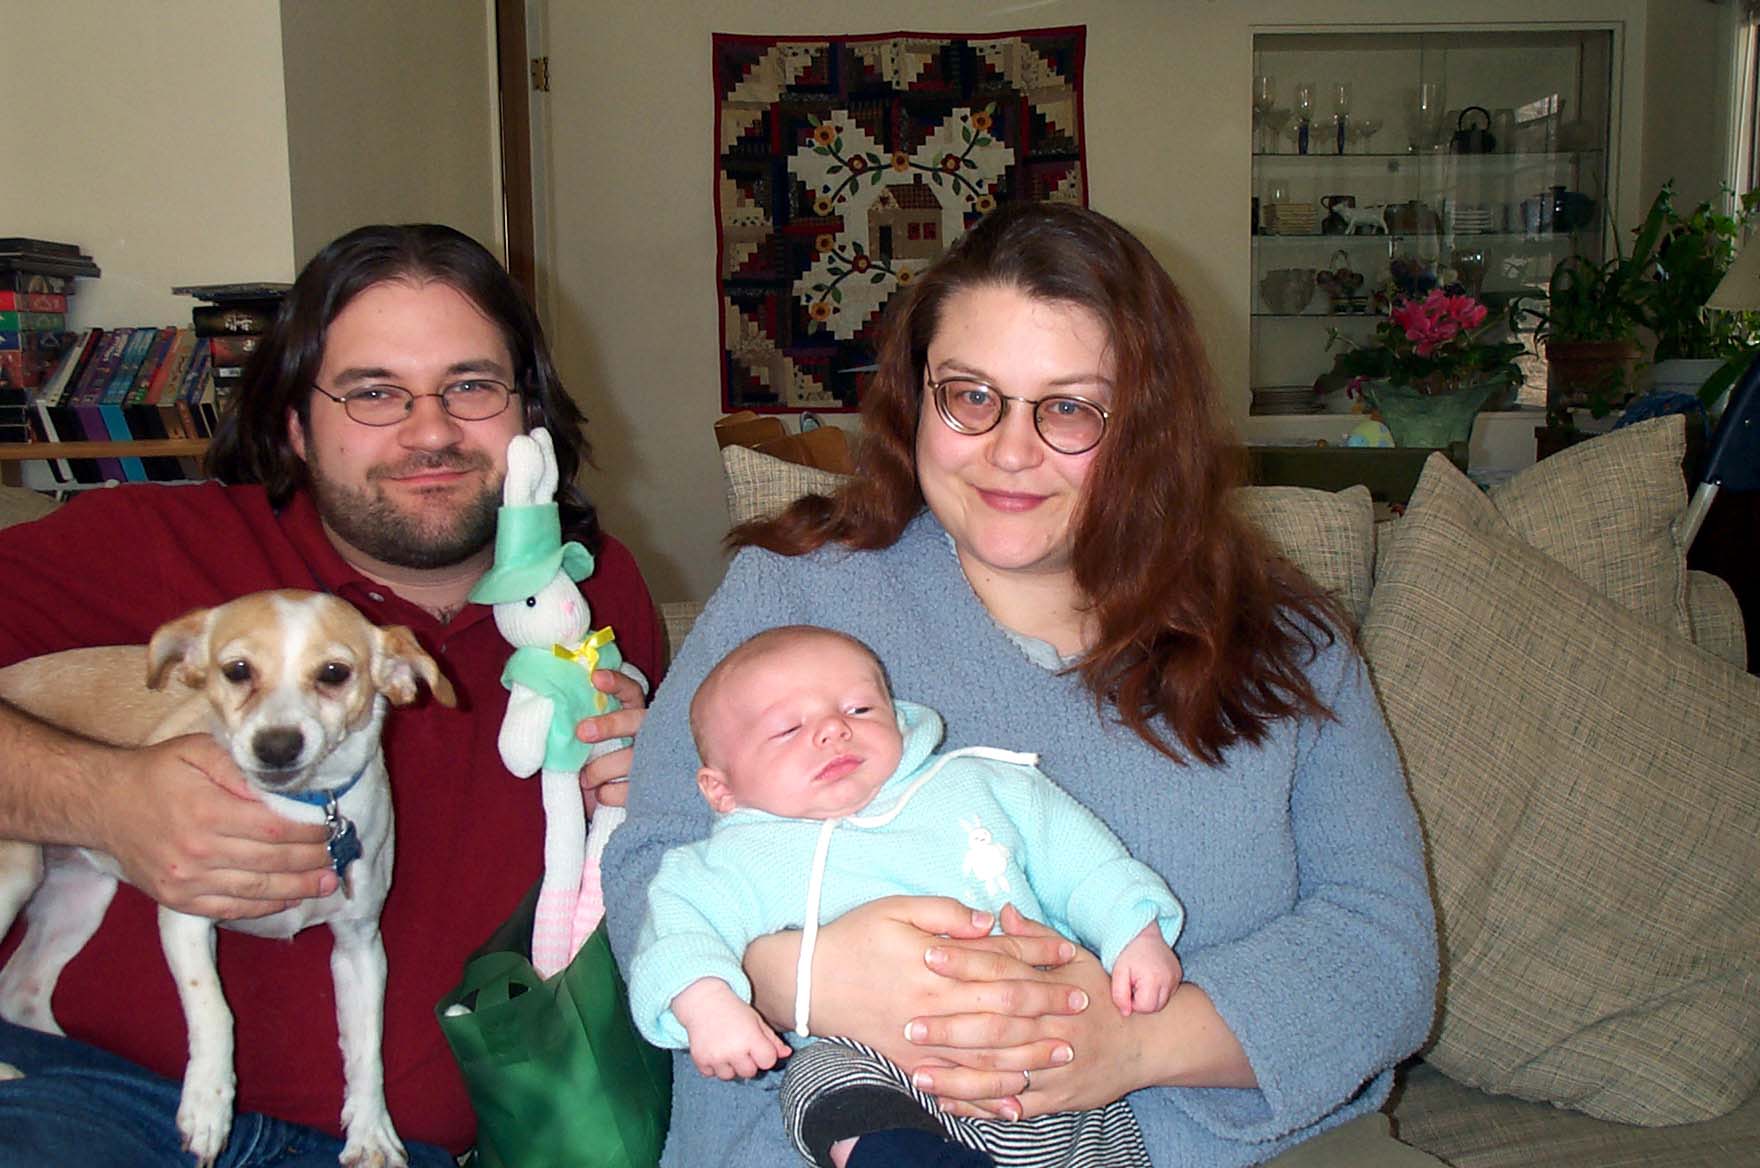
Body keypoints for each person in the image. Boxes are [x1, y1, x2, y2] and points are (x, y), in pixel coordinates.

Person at [604, 202, 1440, 1167]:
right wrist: (802, 977)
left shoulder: (1288, 643)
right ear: (917, 397)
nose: (1011, 450)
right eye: (971, 396)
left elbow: (1384, 953)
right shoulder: (791, 598)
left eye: (1070, 408)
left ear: (1148, 426)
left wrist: (1127, 1046)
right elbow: (649, 861)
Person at [0, 224, 661, 1167]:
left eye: (471, 386)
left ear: (529, 418)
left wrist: (666, 789)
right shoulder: (146, 544)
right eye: (374, 393)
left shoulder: (591, 594)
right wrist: (101, 799)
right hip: (95, 1102)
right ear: (295, 426)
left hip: (404, 1147)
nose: (430, 431)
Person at [630, 624, 1185, 1167]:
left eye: (859, 709)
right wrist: (708, 1002)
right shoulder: (728, 864)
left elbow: (1085, 864)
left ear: (896, 716)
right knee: (820, 1080)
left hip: (1044, 1050)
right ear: (720, 789)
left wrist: (1135, 933)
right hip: (887, 1082)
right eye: (787, 728)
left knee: (1096, 1105)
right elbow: (677, 938)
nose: (833, 730)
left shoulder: (979, 783)